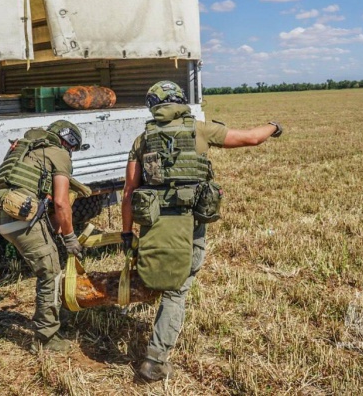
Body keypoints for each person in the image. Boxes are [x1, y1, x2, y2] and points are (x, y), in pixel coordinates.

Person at [121, 81, 283, 382]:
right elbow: (251, 138)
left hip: (153, 223)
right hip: (189, 224)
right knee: (177, 289)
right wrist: (274, 126)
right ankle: (155, 360)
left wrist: (127, 234)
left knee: (157, 274)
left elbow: (129, 191)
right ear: (181, 101)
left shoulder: (143, 139)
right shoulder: (200, 130)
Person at [0, 119, 87, 354]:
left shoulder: (26, 148)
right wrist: (70, 238)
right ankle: (46, 339)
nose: (71, 152)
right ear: (68, 141)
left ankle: (54, 315)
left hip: (4, 214)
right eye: (72, 148)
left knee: (49, 264)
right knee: (51, 273)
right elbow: (61, 202)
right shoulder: (58, 153)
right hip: (21, 216)